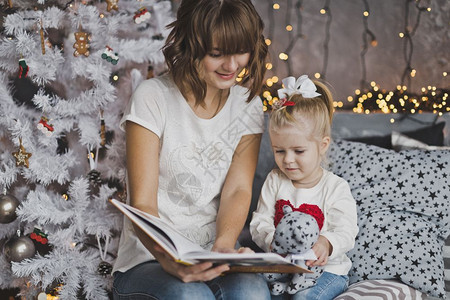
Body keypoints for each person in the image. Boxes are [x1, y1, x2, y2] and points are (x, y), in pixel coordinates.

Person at [112, 0, 271, 299]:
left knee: (253, 291)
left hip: (213, 257)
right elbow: (143, 204)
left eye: (240, 51)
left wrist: (224, 246)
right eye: (216, 54)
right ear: (189, 45)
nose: (232, 65)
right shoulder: (152, 97)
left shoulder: (247, 104)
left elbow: (237, 189)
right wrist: (168, 259)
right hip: (147, 262)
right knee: (191, 297)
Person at [249, 75, 359, 300]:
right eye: (279, 151)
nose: (287, 160)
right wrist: (274, 240)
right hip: (282, 269)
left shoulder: (335, 187)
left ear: (322, 145)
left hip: (327, 272)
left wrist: (326, 243)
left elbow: (346, 231)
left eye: (298, 151)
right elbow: (259, 222)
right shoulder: (275, 180)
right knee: (254, 289)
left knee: (304, 298)